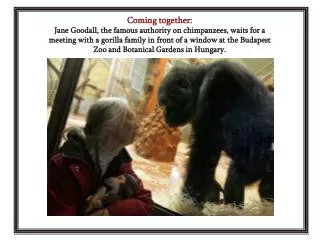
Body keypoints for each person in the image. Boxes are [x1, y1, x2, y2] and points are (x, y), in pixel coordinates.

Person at [47, 97, 153, 216]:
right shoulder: (65, 166)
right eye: (129, 118)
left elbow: (145, 201)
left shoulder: (119, 158)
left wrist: (108, 212)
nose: (137, 125)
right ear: (110, 129)